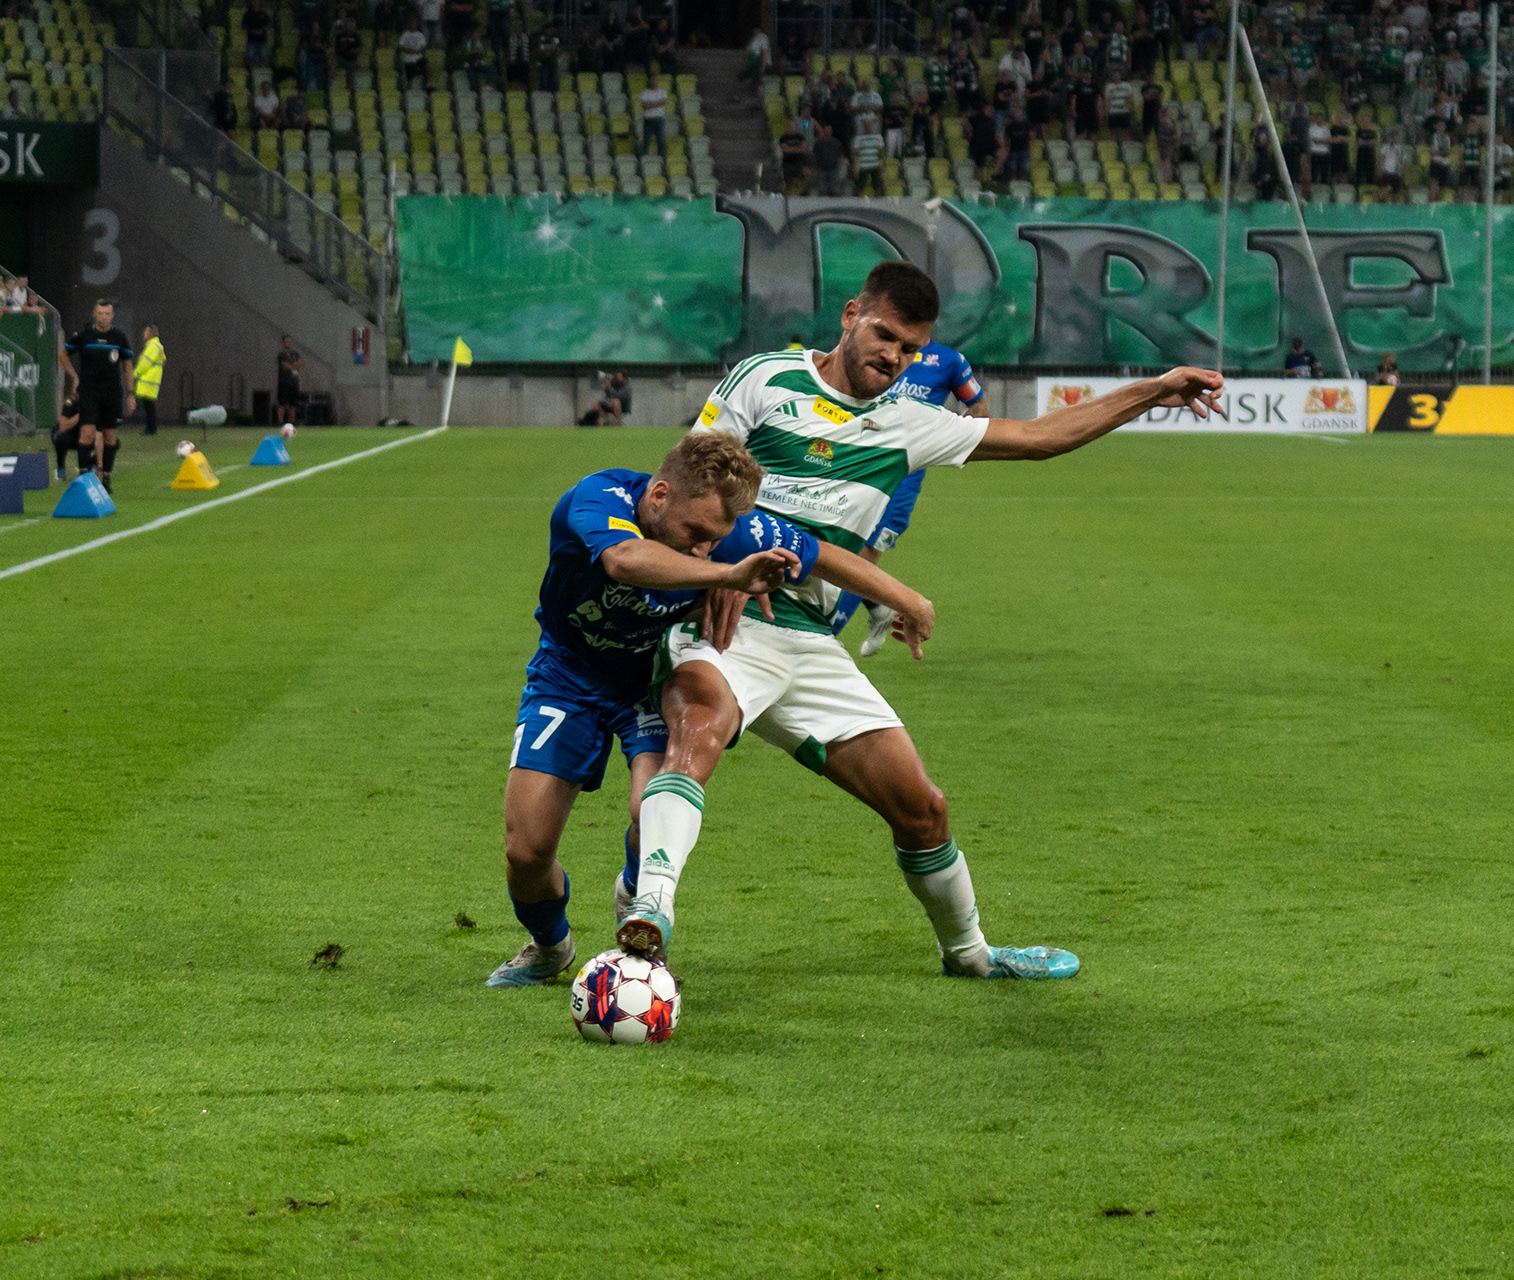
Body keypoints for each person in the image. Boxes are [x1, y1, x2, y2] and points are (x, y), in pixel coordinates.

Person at [618, 262, 1223, 980]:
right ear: (851, 315)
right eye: (883, 335)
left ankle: (971, 955)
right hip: (725, 622)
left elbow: (1040, 437)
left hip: (811, 643)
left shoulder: (911, 423)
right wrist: (722, 564)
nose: (892, 356)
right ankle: (649, 913)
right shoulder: (765, 378)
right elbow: (693, 472)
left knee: (923, 808)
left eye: (909, 349)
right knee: (701, 731)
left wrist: (1156, 390)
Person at [486, 433, 932, 985]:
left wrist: (907, 599)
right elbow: (625, 561)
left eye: (715, 541)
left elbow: (823, 556)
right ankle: (550, 946)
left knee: (650, 811)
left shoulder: (727, 532)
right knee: (526, 851)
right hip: (568, 675)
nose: (704, 548)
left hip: (652, 678)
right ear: (659, 496)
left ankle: (639, 902)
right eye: (695, 534)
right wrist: (726, 575)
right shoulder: (597, 497)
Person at [829, 340, 991, 657]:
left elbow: (980, 410)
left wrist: (947, 442)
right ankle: (878, 605)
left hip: (901, 483)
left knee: (864, 556)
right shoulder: (874, 351)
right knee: (835, 549)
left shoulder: (950, 361)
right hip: (854, 469)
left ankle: (823, 636)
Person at [56, 300, 136, 493]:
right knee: (87, 433)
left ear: (112, 315)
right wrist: (74, 375)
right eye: (100, 313)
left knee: (109, 437)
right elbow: (62, 355)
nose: (104, 317)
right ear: (94, 314)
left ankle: (106, 478)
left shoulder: (119, 337)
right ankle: (84, 480)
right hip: (89, 393)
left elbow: (127, 364)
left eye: (107, 314)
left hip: (112, 393)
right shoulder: (84, 336)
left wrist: (130, 393)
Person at [134, 324, 165, 435]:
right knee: (149, 405)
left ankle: (151, 428)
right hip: (152, 380)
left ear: (150, 334)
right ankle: (151, 427)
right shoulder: (157, 346)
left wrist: (135, 373)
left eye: (146, 332)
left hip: (148, 379)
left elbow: (145, 363)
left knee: (148, 406)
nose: (144, 334)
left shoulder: (153, 346)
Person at [51, 396, 80, 482]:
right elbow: (63, 427)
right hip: (67, 433)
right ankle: (60, 469)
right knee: (62, 439)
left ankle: (89, 467)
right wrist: (80, 415)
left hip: (82, 434)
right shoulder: (71, 403)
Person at [276, 336, 302, 427]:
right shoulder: (281, 355)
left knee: (293, 403)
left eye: (289, 341)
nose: (288, 343)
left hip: (294, 382)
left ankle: (292, 421)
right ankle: (281, 421)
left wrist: (293, 366)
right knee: (282, 403)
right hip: (284, 381)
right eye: (286, 341)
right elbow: (285, 366)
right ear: (283, 343)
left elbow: (299, 364)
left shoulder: (295, 354)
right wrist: (293, 366)